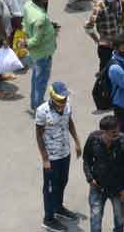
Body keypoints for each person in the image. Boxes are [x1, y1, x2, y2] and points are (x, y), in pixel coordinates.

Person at [35, 82, 82, 232]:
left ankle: (58, 207)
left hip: (65, 153)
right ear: (53, 98)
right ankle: (48, 219)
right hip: (51, 158)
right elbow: (39, 136)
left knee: (63, 181)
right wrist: (45, 159)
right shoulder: (42, 111)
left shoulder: (67, 106)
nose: (63, 102)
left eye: (64, 99)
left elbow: (70, 122)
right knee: (49, 188)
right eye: (61, 100)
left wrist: (77, 142)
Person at [83, 115, 124, 232]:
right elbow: (86, 159)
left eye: (118, 131)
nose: (117, 135)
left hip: (118, 189)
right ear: (103, 132)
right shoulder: (93, 139)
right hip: (97, 187)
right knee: (95, 220)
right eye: (113, 132)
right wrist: (90, 178)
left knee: (119, 220)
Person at [24, 0, 58, 110]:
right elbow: (36, 40)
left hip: (35, 53)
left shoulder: (28, 5)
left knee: (35, 78)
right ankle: (38, 105)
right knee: (41, 81)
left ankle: (35, 102)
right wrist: (26, 43)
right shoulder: (40, 18)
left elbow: (24, 23)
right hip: (42, 53)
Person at [85, 0, 124, 73]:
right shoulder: (99, 7)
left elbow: (121, 21)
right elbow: (88, 27)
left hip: (118, 43)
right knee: (105, 69)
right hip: (105, 46)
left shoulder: (121, 2)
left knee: (120, 67)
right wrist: (97, 40)